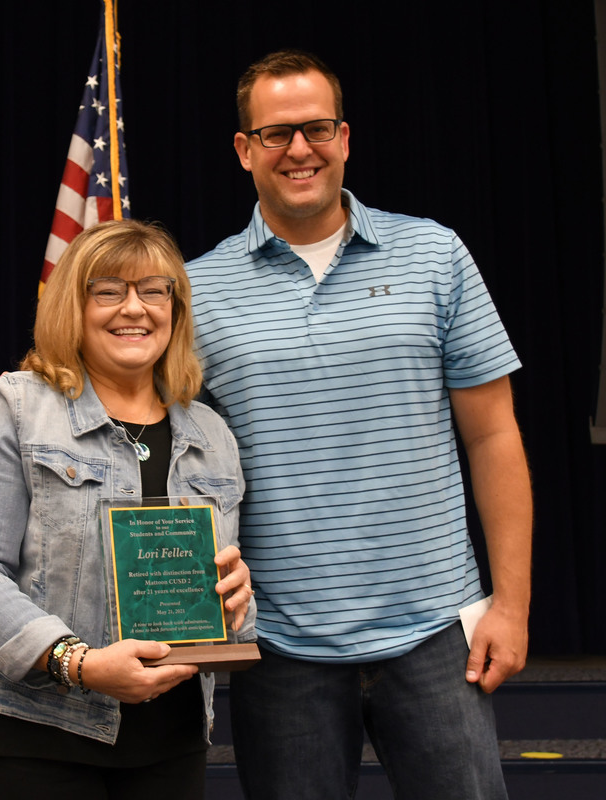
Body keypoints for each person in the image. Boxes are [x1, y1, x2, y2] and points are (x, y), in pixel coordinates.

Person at [186, 49, 532, 800]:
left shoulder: (435, 254)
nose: (299, 150)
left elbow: (494, 436)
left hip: (438, 631)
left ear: (345, 137)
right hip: (278, 645)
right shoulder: (194, 289)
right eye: (276, 134)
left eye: (315, 128)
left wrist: (511, 605)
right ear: (245, 150)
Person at [0, 219, 256, 800]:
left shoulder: (212, 433)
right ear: (72, 307)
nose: (135, 309)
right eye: (109, 291)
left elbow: (222, 602)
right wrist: (74, 661)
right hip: (37, 733)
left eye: (154, 291)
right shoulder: (14, 406)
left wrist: (234, 600)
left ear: (175, 311)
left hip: (174, 737)